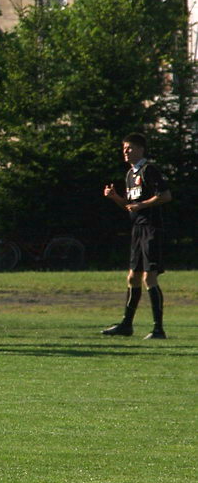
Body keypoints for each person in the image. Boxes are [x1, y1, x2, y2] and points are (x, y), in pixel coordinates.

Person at [102, 133, 172, 339]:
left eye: (129, 148)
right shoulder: (130, 175)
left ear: (141, 149)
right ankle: (126, 324)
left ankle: (158, 329)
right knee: (132, 276)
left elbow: (165, 196)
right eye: (124, 148)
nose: (125, 151)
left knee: (149, 277)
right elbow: (131, 207)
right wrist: (116, 198)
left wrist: (143, 204)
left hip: (152, 228)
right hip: (137, 229)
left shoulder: (149, 170)